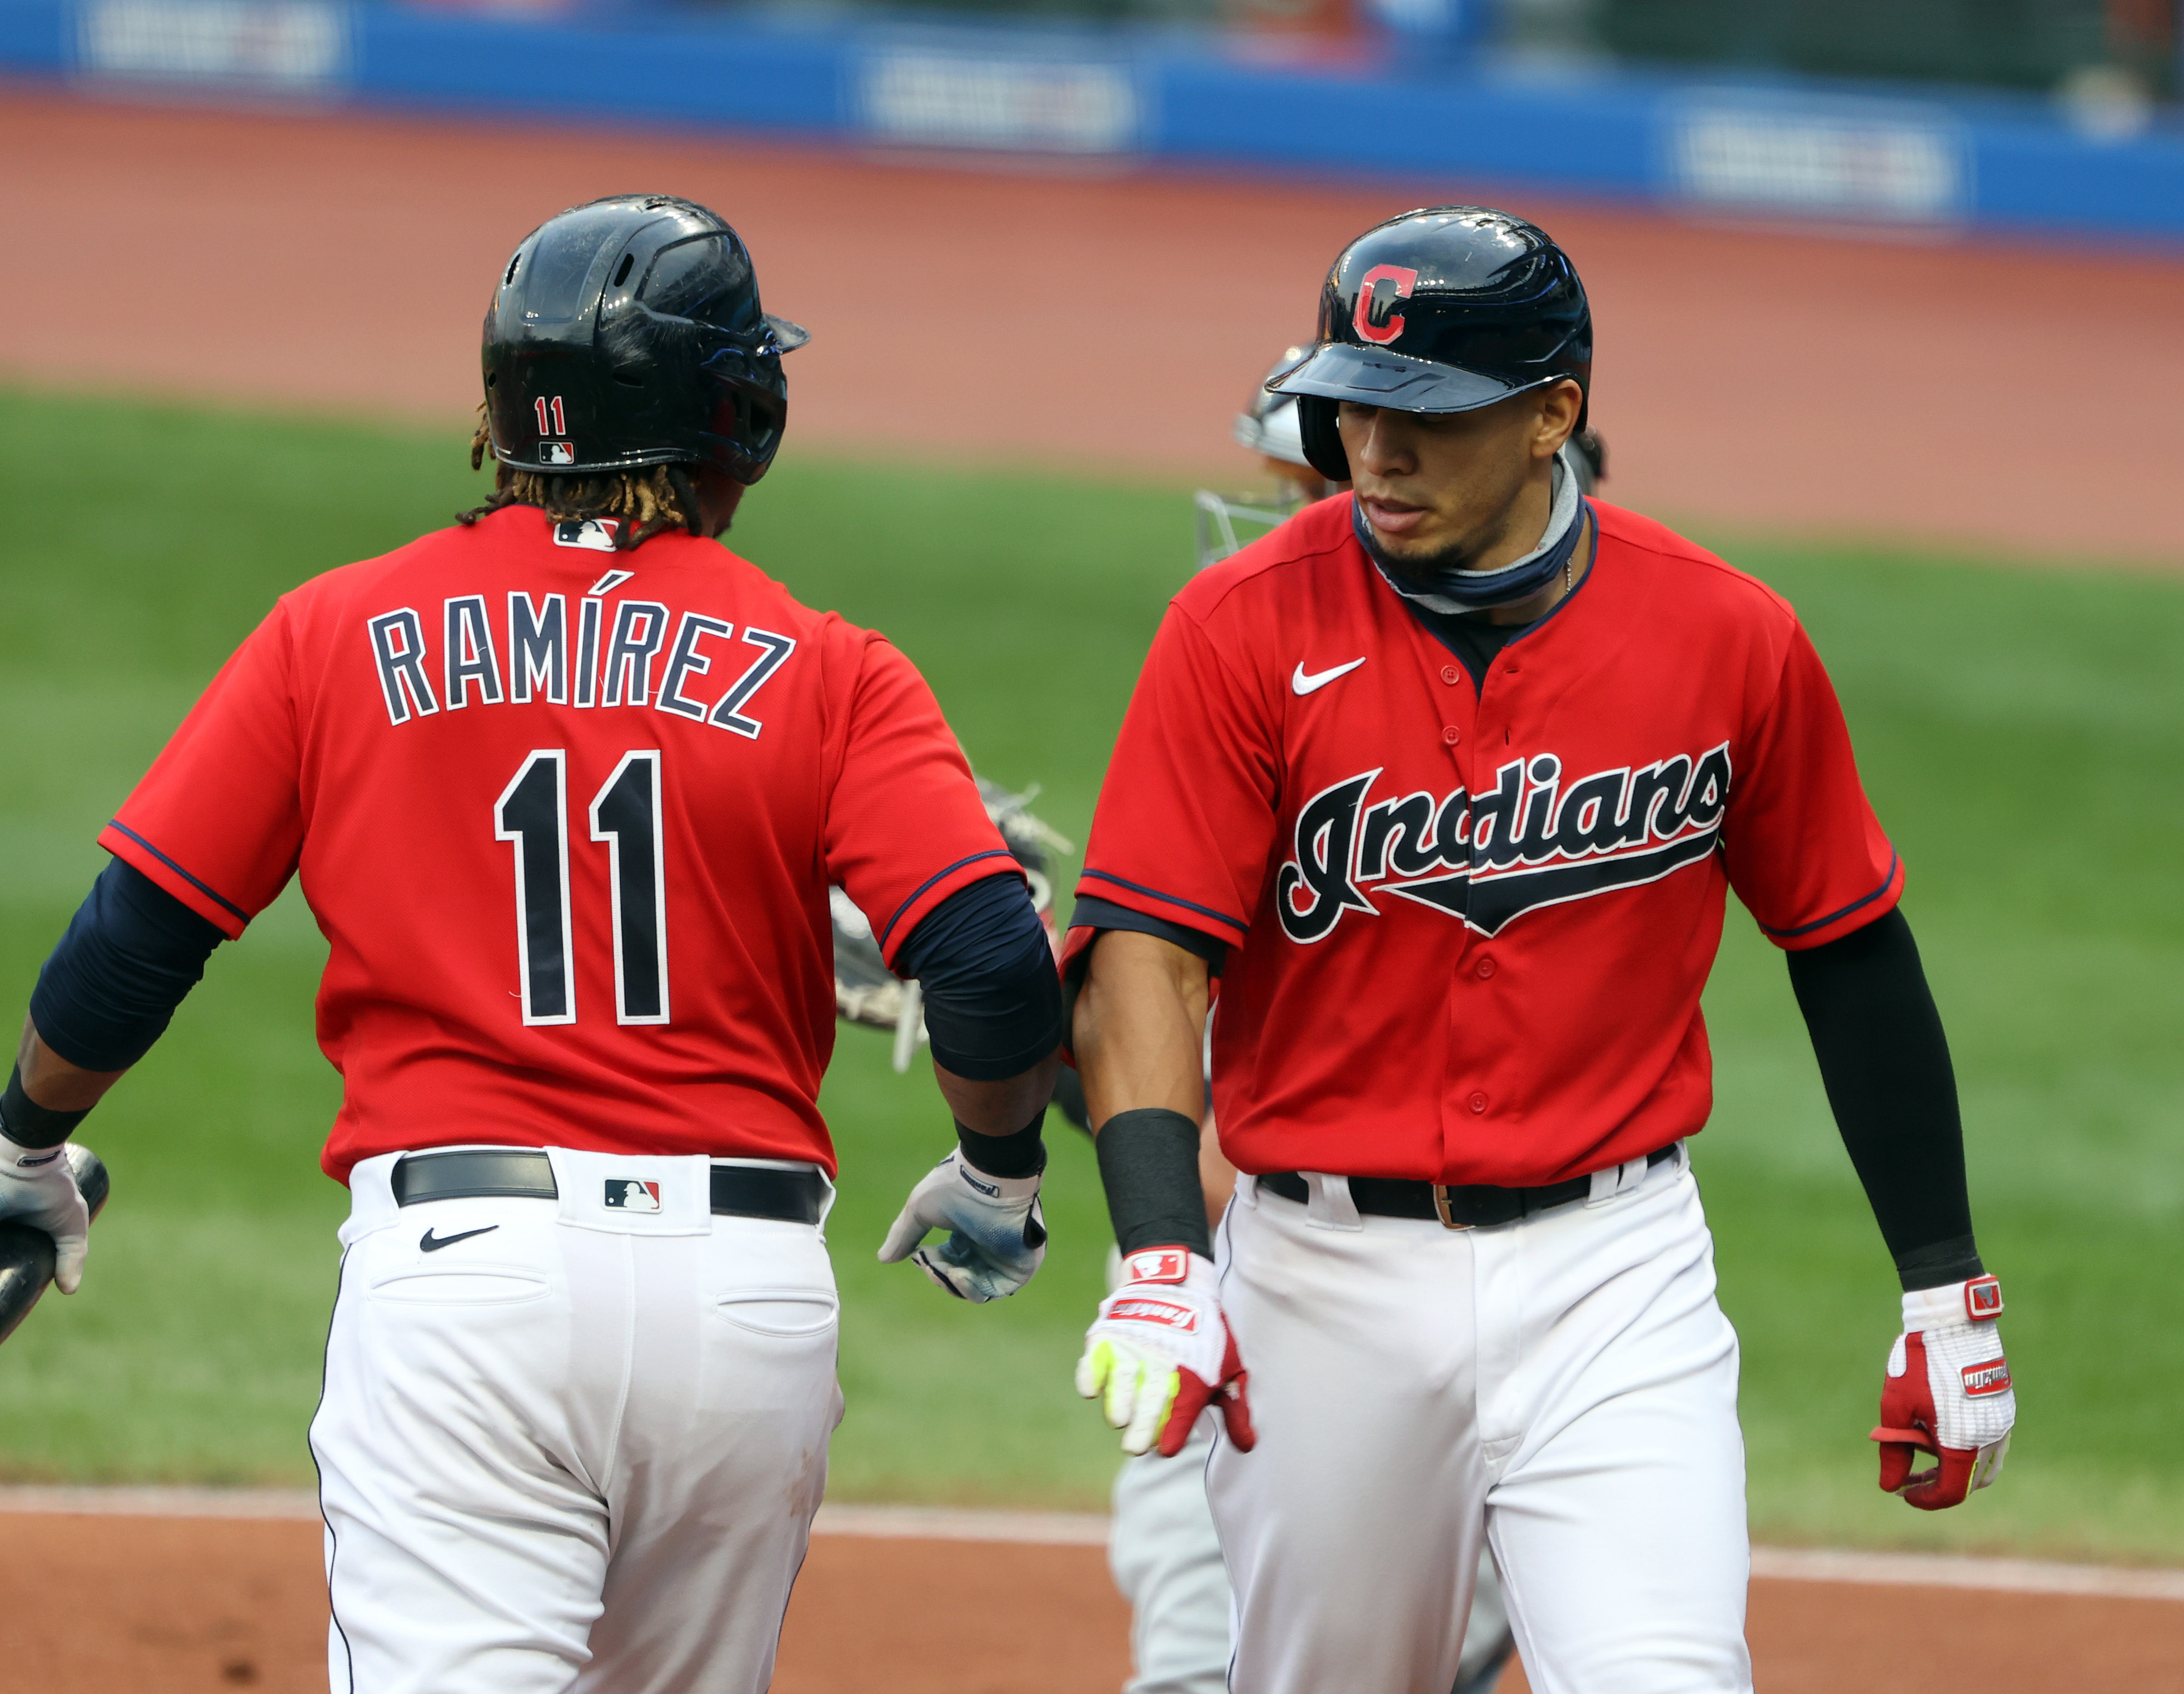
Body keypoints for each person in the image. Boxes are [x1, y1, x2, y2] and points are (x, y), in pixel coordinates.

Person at [0, 193, 1062, 1693]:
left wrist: (27, 1146)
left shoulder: (333, 631)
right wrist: (999, 1173)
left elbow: (140, 933)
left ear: (500, 414)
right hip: (743, 1303)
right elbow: (991, 962)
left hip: (465, 1282)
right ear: (735, 415)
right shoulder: (833, 668)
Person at [1065, 206, 2016, 1694]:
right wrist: (1160, 1255)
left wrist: (1942, 1282)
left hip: (1614, 1274)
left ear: (1551, 414)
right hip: (1321, 1276)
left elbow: (1845, 942)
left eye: (1424, 420)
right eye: (1355, 410)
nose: (1375, 454)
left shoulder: (1725, 635)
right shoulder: (1239, 627)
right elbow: (1146, 957)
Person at [1093, 358, 1527, 1694]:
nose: (1263, 516)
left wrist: (998, 1005)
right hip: (1327, 1324)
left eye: (1293, 491)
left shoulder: (1411, 770)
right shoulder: (1268, 681)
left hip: (1360, 1322)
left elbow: (1229, 1140)